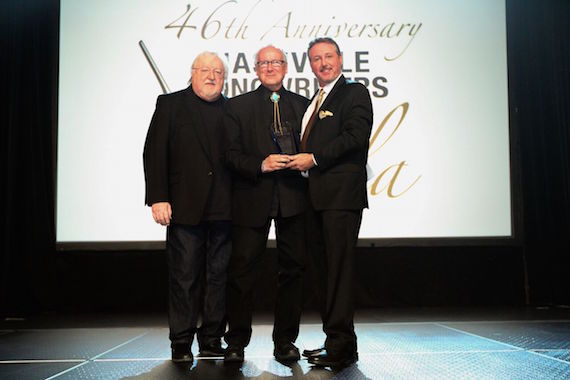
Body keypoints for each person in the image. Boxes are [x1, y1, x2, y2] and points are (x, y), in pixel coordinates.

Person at [286, 37, 373, 368]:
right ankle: (337, 340)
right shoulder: (314, 100)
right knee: (324, 273)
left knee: (338, 271)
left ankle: (340, 345)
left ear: (340, 59)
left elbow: (355, 137)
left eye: (328, 56)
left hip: (340, 198)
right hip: (315, 199)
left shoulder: (355, 93)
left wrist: (314, 158)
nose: (323, 63)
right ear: (310, 65)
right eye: (316, 58)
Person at [143, 52, 231, 363]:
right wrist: (158, 197)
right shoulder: (170, 104)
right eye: (205, 70)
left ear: (224, 77)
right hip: (184, 206)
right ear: (192, 73)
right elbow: (155, 152)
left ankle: (211, 339)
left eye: (218, 72)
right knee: (184, 277)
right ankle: (181, 341)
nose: (211, 76)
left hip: (225, 208)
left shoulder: (232, 108)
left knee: (219, 277)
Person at [223, 45, 309, 363]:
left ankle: (285, 341)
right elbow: (229, 155)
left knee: (293, 272)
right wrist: (261, 164)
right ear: (255, 69)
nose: (270, 67)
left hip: (294, 201)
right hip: (251, 198)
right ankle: (236, 343)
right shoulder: (237, 106)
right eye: (264, 63)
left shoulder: (304, 105)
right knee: (242, 272)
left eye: (276, 62)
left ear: (286, 68)